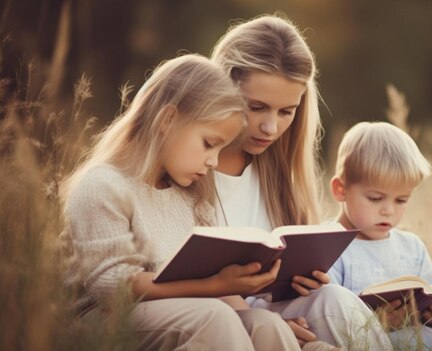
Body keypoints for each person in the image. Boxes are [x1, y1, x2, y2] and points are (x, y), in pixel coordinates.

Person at [60, 54, 303, 350]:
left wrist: (239, 294)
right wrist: (213, 286)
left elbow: (216, 291)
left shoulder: (192, 197)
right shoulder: (103, 185)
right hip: (104, 323)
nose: (214, 162)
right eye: (209, 144)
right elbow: (113, 288)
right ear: (168, 119)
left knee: (265, 324)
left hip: (189, 313)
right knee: (214, 317)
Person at [210, 14, 393, 350]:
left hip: (272, 311)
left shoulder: (278, 174)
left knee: (334, 299)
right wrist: (270, 323)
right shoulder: (190, 167)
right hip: (214, 316)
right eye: (257, 107)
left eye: (286, 111)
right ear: (221, 90)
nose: (271, 128)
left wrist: (306, 281)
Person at [327, 121, 432, 350]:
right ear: (340, 190)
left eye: (401, 200)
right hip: (374, 345)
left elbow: (430, 320)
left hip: (419, 338)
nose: (388, 210)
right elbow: (328, 322)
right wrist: (377, 324)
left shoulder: (412, 247)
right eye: (374, 198)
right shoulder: (329, 246)